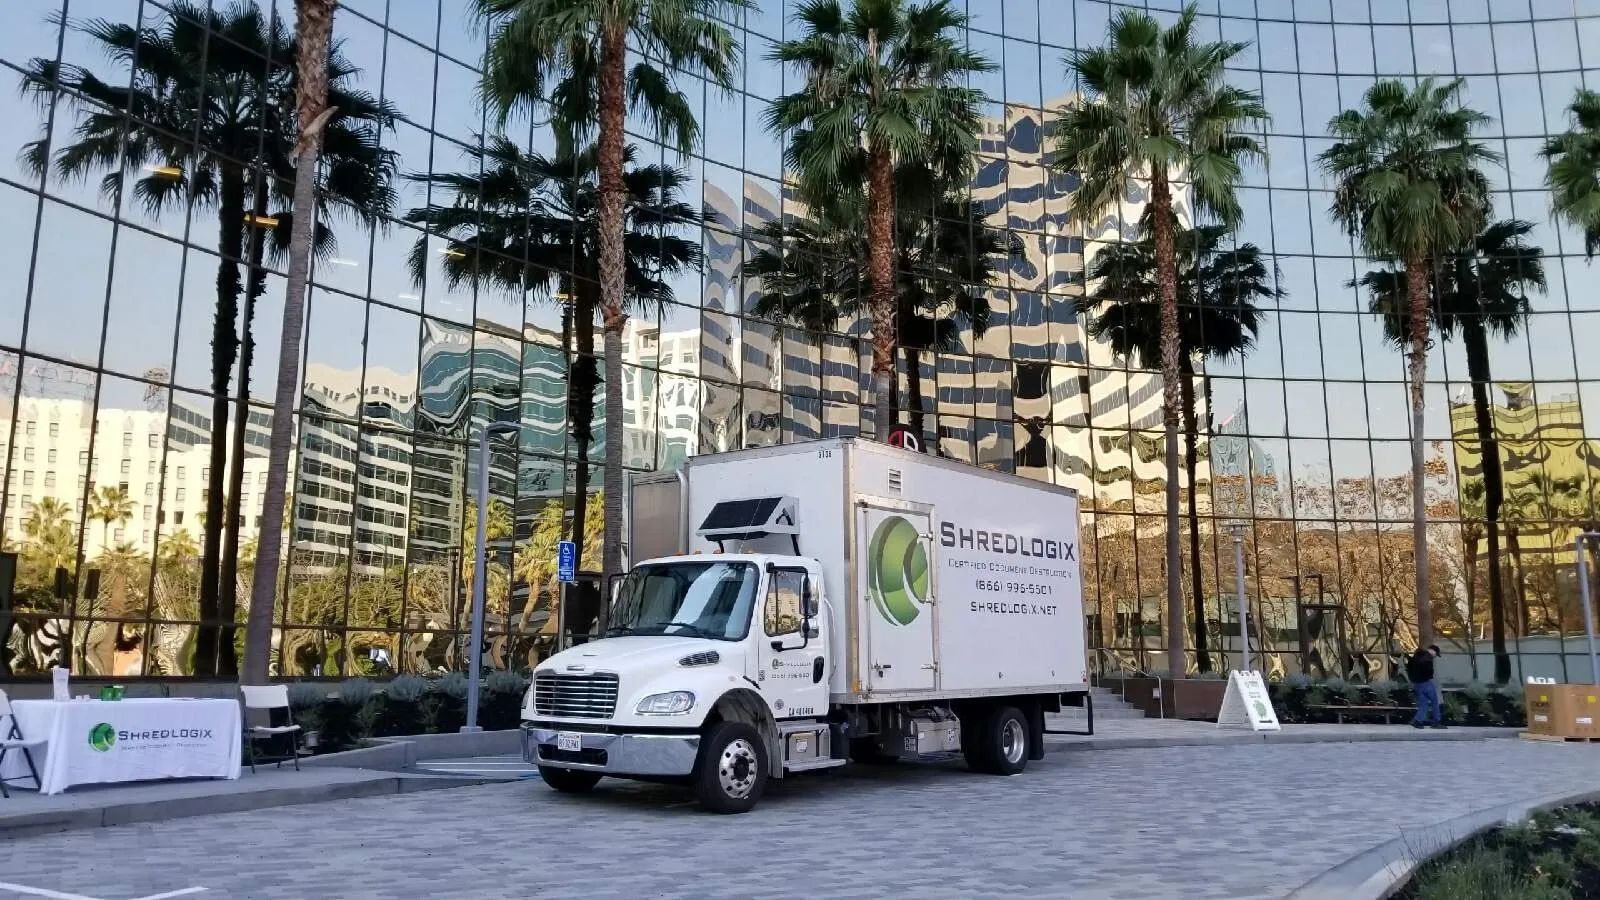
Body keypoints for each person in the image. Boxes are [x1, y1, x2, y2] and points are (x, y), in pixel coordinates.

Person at [1406, 644, 1444, 729]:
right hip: (1426, 682)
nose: (1435, 656)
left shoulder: (1414, 657)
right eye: (1435, 654)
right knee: (1435, 701)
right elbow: (1429, 672)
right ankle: (1436, 721)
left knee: (1423, 703)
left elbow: (1409, 669)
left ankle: (1418, 721)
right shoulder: (1427, 658)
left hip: (1417, 684)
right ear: (1432, 650)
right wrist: (1429, 675)